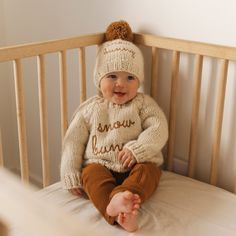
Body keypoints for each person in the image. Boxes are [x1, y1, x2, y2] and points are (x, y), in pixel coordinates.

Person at [60, 20, 168, 232]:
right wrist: (70, 172)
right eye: (112, 76)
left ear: (139, 82)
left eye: (130, 77)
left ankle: (125, 195)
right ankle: (116, 208)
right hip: (101, 163)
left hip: (136, 164)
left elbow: (158, 127)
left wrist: (138, 149)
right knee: (90, 175)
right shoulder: (90, 109)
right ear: (99, 79)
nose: (121, 83)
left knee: (149, 172)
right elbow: (73, 141)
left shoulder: (143, 104)